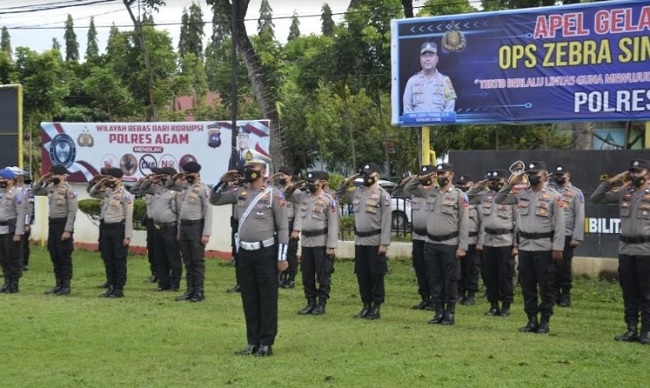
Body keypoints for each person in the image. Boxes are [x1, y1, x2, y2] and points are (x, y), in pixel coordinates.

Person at [210, 159, 288, 357]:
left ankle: (266, 343)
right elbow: (214, 199)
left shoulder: (274, 195)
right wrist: (221, 181)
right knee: (249, 298)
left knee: (267, 298)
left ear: (262, 172)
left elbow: (282, 228)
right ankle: (252, 342)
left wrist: (282, 258)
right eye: (247, 168)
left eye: (252, 169)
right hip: (245, 253)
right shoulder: (240, 193)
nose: (248, 172)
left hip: (266, 253)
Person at [495, 161, 564, 334]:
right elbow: (499, 199)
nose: (532, 176)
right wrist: (510, 183)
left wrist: (558, 248)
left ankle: (545, 321)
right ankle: (532, 320)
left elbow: (560, 224)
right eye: (530, 173)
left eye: (536, 173)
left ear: (545, 175)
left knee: (546, 286)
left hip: (544, 247)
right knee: (527, 286)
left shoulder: (553, 196)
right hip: (526, 247)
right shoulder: (522, 194)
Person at [591, 159, 650, 345]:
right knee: (629, 291)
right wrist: (611, 181)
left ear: (647, 174)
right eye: (631, 171)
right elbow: (596, 198)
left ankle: (646, 332)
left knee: (646, 293)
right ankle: (631, 329)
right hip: (626, 249)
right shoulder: (625, 192)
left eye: (638, 172)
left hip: (646, 250)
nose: (633, 175)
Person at [404, 163, 468, 325]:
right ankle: (438, 311)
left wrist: (462, 246)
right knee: (434, 278)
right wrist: (422, 178)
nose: (440, 176)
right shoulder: (430, 192)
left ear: (451, 175)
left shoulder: (459, 195)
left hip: (450, 243)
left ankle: (450, 313)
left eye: (443, 173)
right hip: (431, 243)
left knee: (450, 279)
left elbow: (464, 222)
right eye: (438, 174)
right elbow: (408, 188)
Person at [337, 163, 392, 320]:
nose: (366, 177)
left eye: (370, 174)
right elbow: (339, 192)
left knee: (376, 275)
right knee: (362, 275)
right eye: (364, 174)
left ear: (377, 176)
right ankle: (366, 304)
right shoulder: (358, 192)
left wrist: (384, 243)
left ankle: (376, 306)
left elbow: (387, 221)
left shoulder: (382, 195)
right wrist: (350, 179)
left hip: (375, 240)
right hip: (360, 240)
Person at [288, 170, 339, 315]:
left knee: (323, 274)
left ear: (321, 182)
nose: (310, 184)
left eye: (313, 181)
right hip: (306, 242)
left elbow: (333, 225)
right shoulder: (303, 196)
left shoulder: (329, 200)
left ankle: (321, 303)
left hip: (321, 242)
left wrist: (331, 246)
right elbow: (285, 195)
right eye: (308, 181)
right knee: (307, 274)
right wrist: (294, 186)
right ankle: (310, 302)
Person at [468, 169, 517, 317]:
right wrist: (476, 187)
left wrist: (516, 245)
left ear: (505, 181)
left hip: (505, 241)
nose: (494, 183)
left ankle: (506, 306)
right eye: (491, 180)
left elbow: (518, 223)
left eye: (497, 180)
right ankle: (493, 305)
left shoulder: (512, 198)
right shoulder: (484, 196)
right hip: (488, 241)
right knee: (490, 275)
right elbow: (467, 198)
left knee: (505, 275)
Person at [392, 167, 436, 311]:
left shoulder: (439, 192)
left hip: (432, 238)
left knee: (432, 270)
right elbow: (398, 191)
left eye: (427, 175)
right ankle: (425, 297)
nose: (425, 178)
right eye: (423, 175)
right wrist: (417, 178)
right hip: (418, 237)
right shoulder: (416, 190)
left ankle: (435, 299)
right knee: (420, 269)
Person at [33, 165, 78, 295]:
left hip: (63, 225)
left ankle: (66, 285)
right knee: (54, 255)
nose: (53, 177)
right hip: (52, 225)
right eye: (52, 174)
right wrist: (42, 179)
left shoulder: (69, 190)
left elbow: (72, 212)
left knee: (64, 256)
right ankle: (58, 284)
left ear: (63, 176)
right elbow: (35, 191)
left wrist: (67, 230)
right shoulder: (50, 188)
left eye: (56, 175)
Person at [89, 167, 134, 298]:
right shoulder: (107, 192)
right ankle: (111, 287)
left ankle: (119, 289)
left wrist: (127, 236)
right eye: (108, 178)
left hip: (118, 229)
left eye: (112, 178)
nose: (109, 180)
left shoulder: (126, 195)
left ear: (119, 179)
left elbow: (129, 216)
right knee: (108, 259)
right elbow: (92, 193)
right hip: (106, 229)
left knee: (119, 259)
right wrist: (100, 183)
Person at [139, 167, 183, 292]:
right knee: (160, 256)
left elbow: (180, 213)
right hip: (157, 227)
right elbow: (141, 189)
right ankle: (163, 283)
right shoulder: (158, 189)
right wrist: (151, 179)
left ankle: (174, 284)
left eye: (165, 175)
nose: (162, 177)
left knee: (172, 257)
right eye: (161, 175)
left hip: (170, 227)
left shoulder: (176, 191)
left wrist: (179, 232)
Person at [175, 161, 212, 302]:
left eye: (190, 174)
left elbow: (208, 211)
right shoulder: (184, 188)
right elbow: (181, 212)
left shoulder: (203, 189)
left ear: (197, 174)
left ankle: (199, 291)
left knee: (197, 261)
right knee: (187, 261)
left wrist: (206, 233)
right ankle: (189, 290)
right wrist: (179, 230)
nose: (188, 176)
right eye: (186, 174)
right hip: (184, 227)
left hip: (196, 227)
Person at [549, 164, 585, 307]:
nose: (558, 178)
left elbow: (580, 216)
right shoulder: (550, 190)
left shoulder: (576, 193)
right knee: (551, 267)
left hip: (567, 234)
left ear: (568, 175)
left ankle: (565, 295)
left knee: (564, 267)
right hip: (551, 233)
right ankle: (553, 294)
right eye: (556, 175)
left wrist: (577, 237)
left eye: (561, 175)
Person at [403, 40, 457, 114]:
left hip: (440, 125)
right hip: (418, 125)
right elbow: (407, 108)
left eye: (431, 55)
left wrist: (441, 123)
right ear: (420, 59)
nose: (427, 59)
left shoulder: (445, 80)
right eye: (424, 56)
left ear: (436, 59)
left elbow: (450, 108)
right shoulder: (412, 81)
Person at [270, 166, 299, 289]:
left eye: (284, 175)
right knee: (279, 251)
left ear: (290, 176)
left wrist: (296, 229)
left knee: (290, 253)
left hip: (290, 222)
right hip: (278, 224)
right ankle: (282, 277)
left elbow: (299, 212)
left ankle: (291, 278)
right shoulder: (276, 191)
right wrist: (272, 178)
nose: (281, 178)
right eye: (279, 175)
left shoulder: (295, 191)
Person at [0, 168, 26, 293]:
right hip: (1, 229)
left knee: (13, 257)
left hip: (11, 229)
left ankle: (14, 283)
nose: (0, 181)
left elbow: (21, 214)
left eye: (2, 179)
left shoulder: (18, 194)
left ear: (10, 180)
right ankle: (7, 281)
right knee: (3, 257)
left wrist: (18, 232)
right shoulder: (1, 193)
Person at [455, 174, 480, 306]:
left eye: (465, 184)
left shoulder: (477, 200)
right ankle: (460, 293)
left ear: (471, 184)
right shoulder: (457, 199)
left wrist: (480, 241)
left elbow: (482, 223)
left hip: (472, 240)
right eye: (459, 184)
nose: (461, 186)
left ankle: (471, 295)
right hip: (458, 240)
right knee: (459, 269)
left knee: (471, 269)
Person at [130, 175, 157, 284]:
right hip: (150, 222)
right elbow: (133, 190)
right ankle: (154, 273)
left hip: (160, 222)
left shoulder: (161, 189)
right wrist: (141, 181)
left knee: (161, 250)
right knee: (151, 249)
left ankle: (165, 274)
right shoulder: (148, 188)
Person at [7, 167, 33, 272]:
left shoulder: (26, 189)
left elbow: (28, 207)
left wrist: (27, 223)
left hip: (21, 221)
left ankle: (22, 264)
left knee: (22, 244)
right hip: (9, 221)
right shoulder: (5, 190)